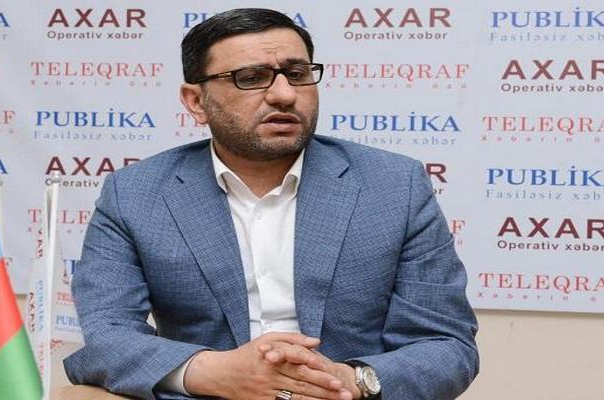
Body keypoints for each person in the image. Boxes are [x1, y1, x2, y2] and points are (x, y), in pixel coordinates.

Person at [64, 8, 479, 400]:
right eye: (251, 78)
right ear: (196, 101)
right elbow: (108, 336)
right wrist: (216, 372)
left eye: (297, 74)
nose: (284, 94)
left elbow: (446, 343)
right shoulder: (135, 194)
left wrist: (350, 380)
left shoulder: (394, 185)